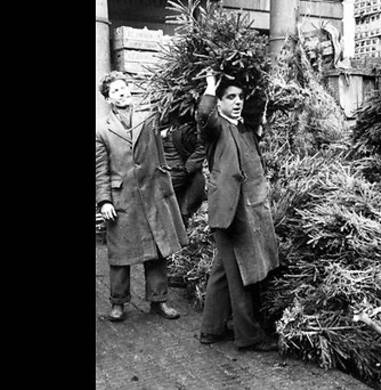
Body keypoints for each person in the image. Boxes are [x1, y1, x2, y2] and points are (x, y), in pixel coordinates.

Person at [195, 71, 280, 352]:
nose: (237, 101)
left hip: (246, 210)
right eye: (230, 97)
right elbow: (204, 115)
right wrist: (209, 87)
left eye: (240, 97)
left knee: (223, 270)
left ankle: (211, 329)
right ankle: (248, 336)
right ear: (219, 102)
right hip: (228, 212)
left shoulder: (243, 129)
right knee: (240, 274)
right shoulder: (215, 128)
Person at [96, 72, 188, 322]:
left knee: (157, 249)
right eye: (115, 91)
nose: (122, 93)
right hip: (122, 197)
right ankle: (118, 303)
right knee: (120, 253)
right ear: (108, 98)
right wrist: (104, 201)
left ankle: (159, 301)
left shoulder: (148, 117)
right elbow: (100, 169)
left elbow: (173, 115)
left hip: (151, 193)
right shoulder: (101, 130)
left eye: (124, 88)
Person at [159, 121, 207, 228]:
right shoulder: (154, 126)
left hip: (185, 179)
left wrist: (188, 168)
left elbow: (202, 147)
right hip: (163, 181)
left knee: (181, 215)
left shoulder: (186, 127)